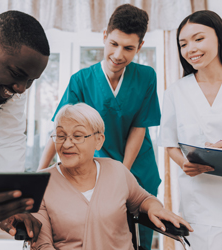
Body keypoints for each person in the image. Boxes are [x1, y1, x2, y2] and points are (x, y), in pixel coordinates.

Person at [38, 4, 161, 249]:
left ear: (140, 46)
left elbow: (140, 127)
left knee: (139, 237)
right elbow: (60, 129)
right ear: (105, 36)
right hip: (96, 169)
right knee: (97, 232)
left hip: (138, 168)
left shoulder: (146, 77)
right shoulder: (81, 80)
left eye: (128, 48)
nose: (118, 54)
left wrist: (119, 176)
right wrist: (38, 176)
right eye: (114, 44)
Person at [29, 103, 192, 250]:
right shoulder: (41, 184)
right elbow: (42, 245)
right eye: (60, 136)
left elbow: (142, 199)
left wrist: (154, 208)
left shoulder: (116, 170)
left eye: (77, 136)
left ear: (98, 140)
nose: (67, 144)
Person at [0, 10, 49, 244]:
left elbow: (9, 138)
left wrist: (12, 203)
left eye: (31, 81)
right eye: (18, 75)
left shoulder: (14, 86)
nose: (22, 89)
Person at [159, 10, 222, 250]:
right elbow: (170, 144)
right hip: (198, 204)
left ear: (219, 36)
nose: (190, 49)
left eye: (198, 39)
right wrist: (184, 163)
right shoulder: (176, 92)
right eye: (183, 44)